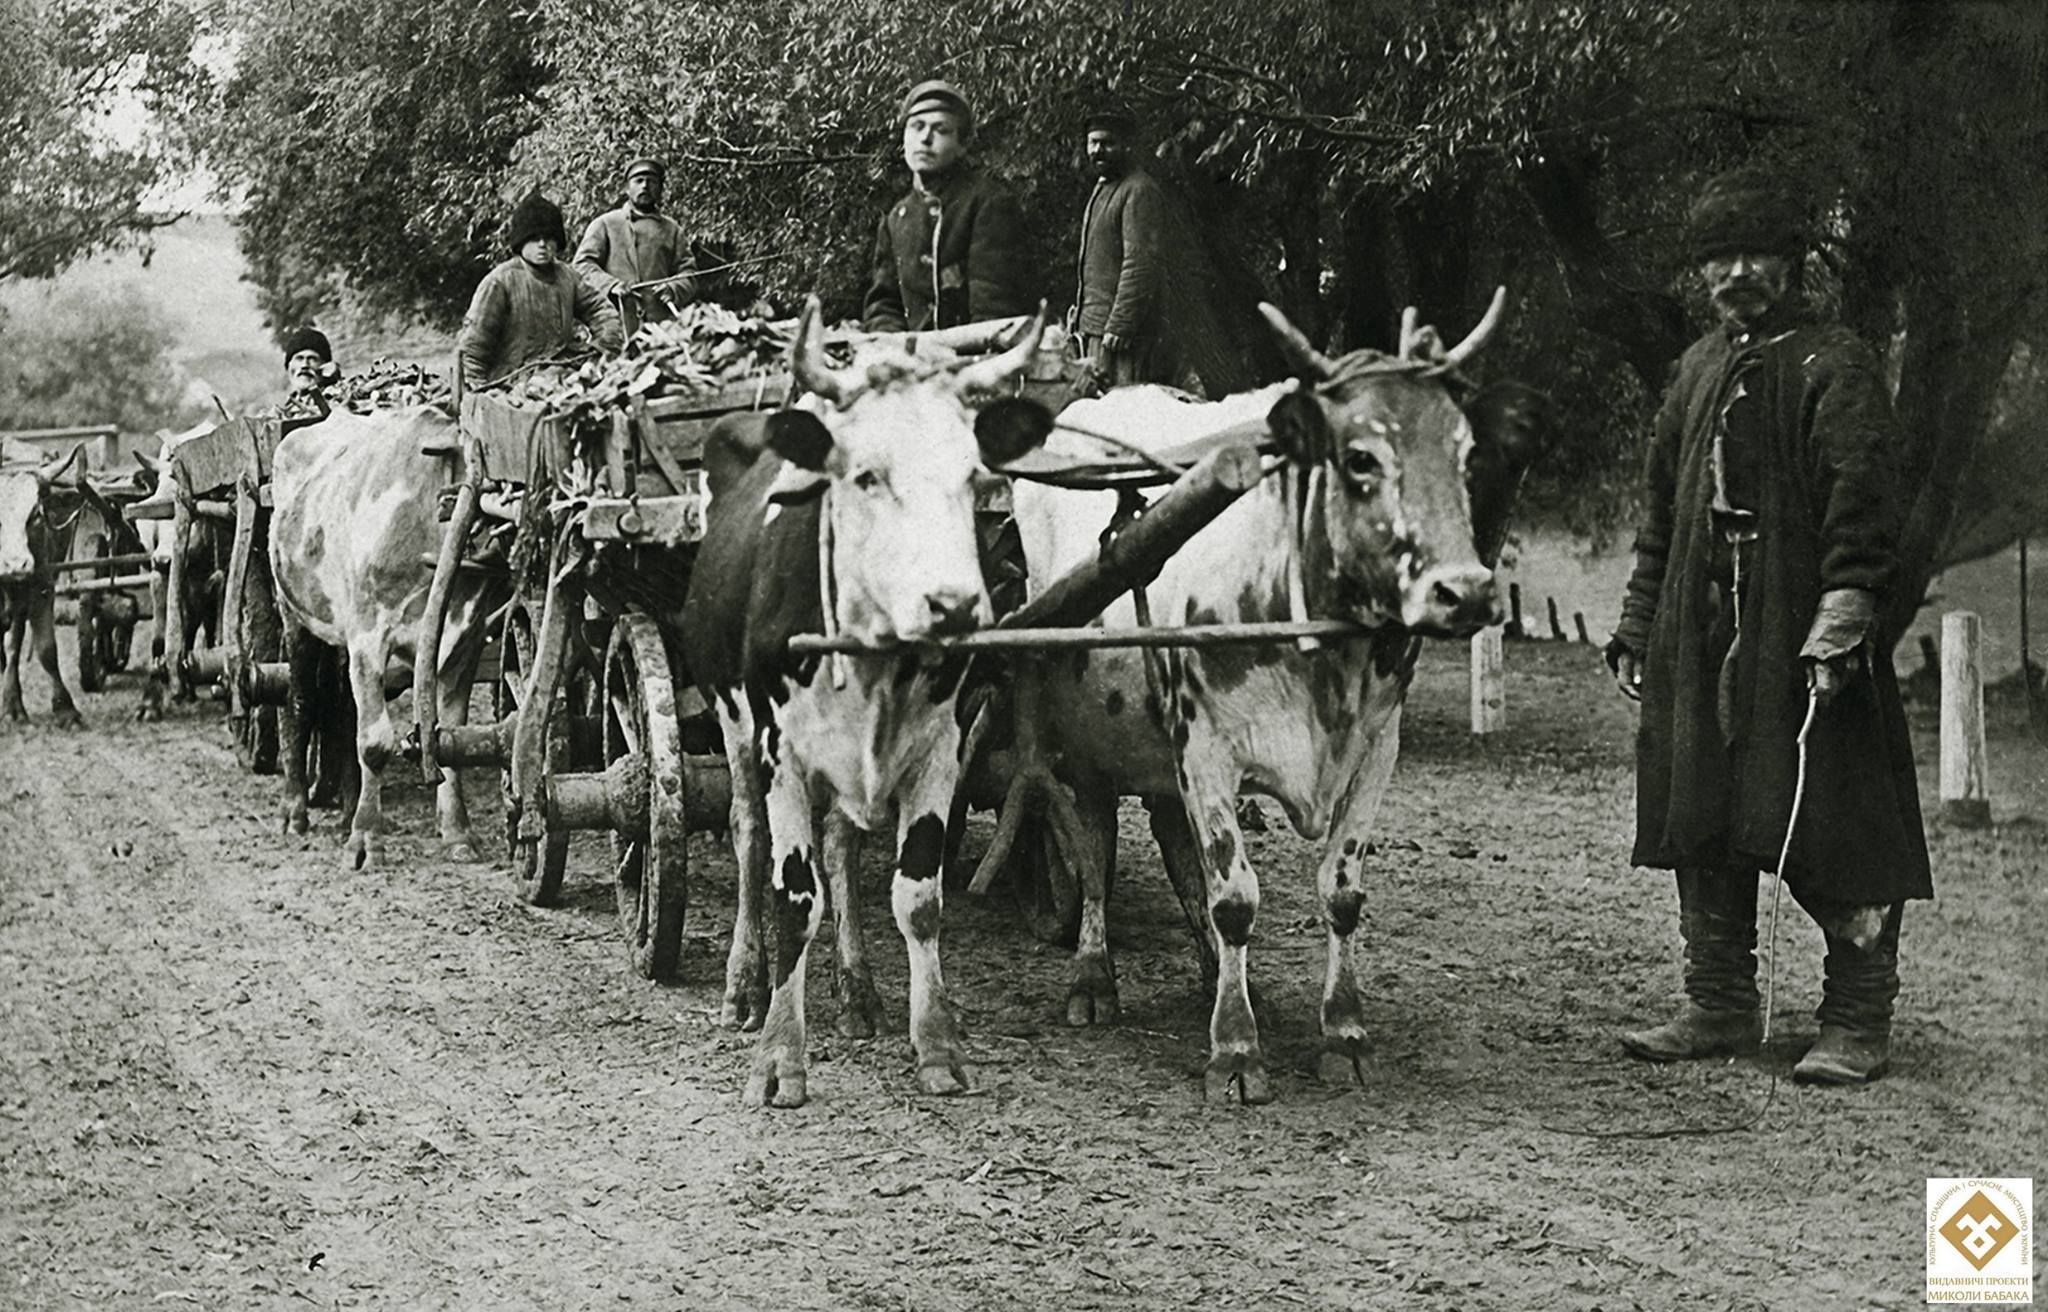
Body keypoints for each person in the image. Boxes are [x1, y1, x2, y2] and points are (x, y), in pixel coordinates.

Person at [1605, 166, 1932, 1086]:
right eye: (1718, 259)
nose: (1736, 273)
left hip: (1802, 625)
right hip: (1699, 630)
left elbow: (1865, 505)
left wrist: (1844, 617)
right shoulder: (1699, 367)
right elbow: (1662, 511)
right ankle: (1719, 1003)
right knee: (1699, 809)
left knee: (1832, 811)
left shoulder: (1837, 364)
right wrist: (1639, 622)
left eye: (1755, 254)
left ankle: (1856, 1020)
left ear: (1792, 263)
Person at [861, 80, 1033, 333]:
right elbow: (884, 306)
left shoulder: (988, 203)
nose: (925, 139)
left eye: (940, 130)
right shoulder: (897, 217)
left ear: (962, 145)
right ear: (904, 138)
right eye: (916, 127)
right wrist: (894, 351)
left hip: (968, 361)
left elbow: (992, 310)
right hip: (911, 364)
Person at [459, 192, 621, 386]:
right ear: (521, 242)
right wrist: (478, 390)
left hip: (563, 374)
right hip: (513, 381)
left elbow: (600, 310)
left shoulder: (568, 277)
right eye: (534, 238)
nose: (542, 245)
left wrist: (602, 349)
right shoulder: (499, 282)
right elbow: (474, 347)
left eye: (549, 237)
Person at [1071, 107, 1178, 391]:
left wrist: (1121, 324)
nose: (1098, 150)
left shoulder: (1139, 190)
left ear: (1127, 146)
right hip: (1095, 330)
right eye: (1092, 143)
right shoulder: (1102, 188)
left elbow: (1140, 263)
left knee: (1126, 413)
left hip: (1122, 337)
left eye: (1107, 143)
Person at [572, 157, 696, 327]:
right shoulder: (605, 224)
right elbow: (581, 266)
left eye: (651, 182)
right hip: (614, 322)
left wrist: (674, 288)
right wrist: (611, 285)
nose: (645, 186)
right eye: (638, 181)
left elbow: (689, 273)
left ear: (660, 188)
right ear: (627, 188)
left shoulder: (673, 230)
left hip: (661, 324)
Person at [278, 326, 335, 425]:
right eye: (299, 358)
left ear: (325, 367)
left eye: (312, 359)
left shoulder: (335, 401)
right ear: (288, 367)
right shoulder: (283, 411)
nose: (304, 365)